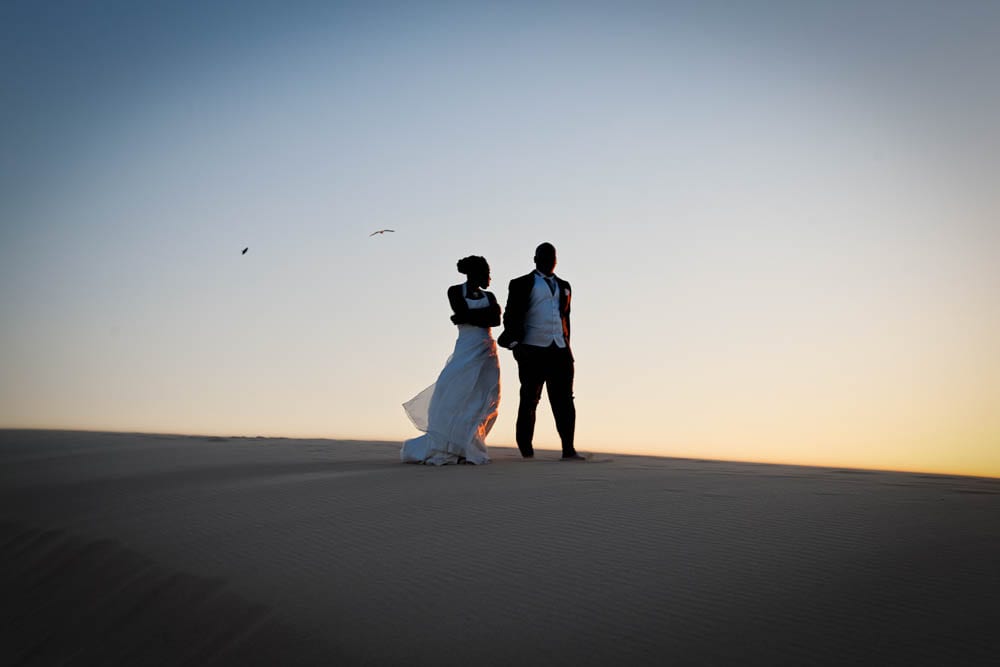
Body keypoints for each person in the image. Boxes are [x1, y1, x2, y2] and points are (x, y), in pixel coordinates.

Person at [401, 255, 501, 465]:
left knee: (484, 399)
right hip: (466, 348)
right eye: (486, 273)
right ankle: (448, 446)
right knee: (454, 394)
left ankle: (469, 446)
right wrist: (475, 315)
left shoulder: (490, 296)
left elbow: (494, 319)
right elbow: (462, 313)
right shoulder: (455, 291)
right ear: (475, 273)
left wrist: (469, 316)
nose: (489, 277)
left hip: (487, 352)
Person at [497, 242, 583, 460]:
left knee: (565, 400)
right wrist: (516, 345)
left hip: (560, 351)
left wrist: (567, 346)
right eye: (544, 257)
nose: (549, 261)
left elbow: (566, 318)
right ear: (535, 259)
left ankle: (568, 449)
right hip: (532, 350)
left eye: (552, 257)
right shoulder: (521, 283)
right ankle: (526, 451)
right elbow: (510, 315)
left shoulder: (565, 285)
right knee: (529, 399)